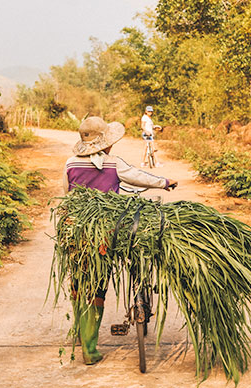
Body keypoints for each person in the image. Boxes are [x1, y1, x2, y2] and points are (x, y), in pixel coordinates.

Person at [62, 116, 177, 365]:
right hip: (104, 234)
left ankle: (80, 334)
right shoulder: (114, 163)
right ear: (106, 143)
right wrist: (165, 182)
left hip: (75, 232)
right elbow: (139, 177)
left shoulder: (70, 163)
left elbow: (66, 194)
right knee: (98, 288)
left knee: (79, 281)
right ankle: (90, 350)